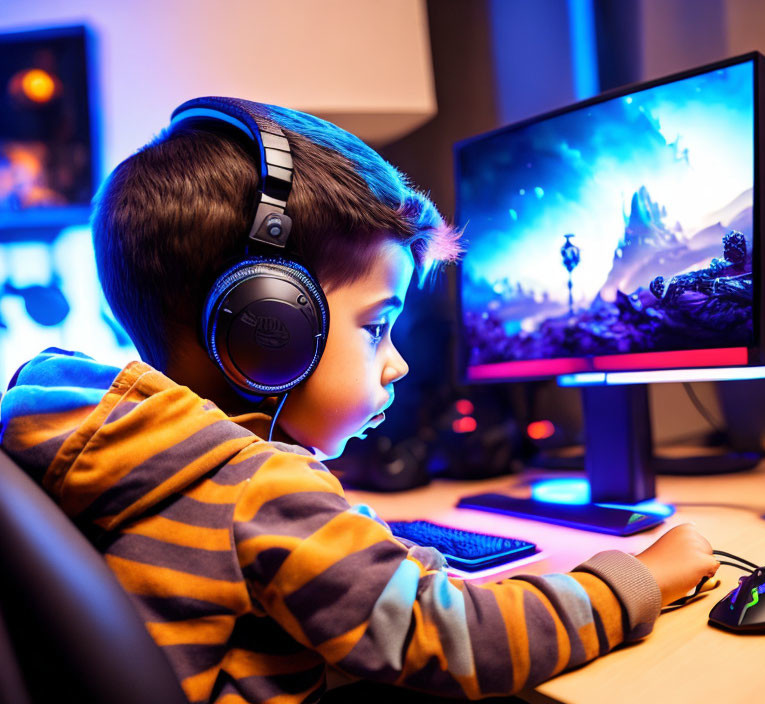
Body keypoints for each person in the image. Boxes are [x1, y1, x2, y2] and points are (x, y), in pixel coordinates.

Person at [0, 97, 719, 703]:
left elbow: (338, 563)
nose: (397, 362)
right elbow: (460, 641)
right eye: (376, 326)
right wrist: (643, 574)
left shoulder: (128, 453)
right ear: (269, 330)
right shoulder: (256, 489)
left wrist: (390, 551)